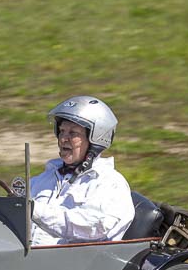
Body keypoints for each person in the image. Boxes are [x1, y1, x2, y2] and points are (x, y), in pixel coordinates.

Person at [30, 95, 135, 245]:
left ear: (95, 139)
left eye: (73, 133)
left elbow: (94, 227)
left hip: (75, 264)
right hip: (26, 261)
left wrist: (35, 210)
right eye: (61, 131)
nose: (63, 139)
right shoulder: (44, 179)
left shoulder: (110, 184)